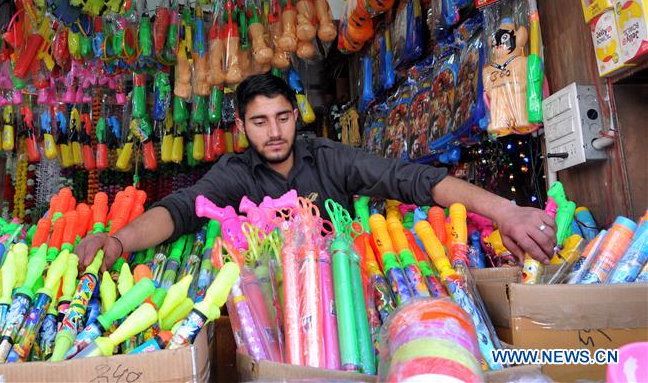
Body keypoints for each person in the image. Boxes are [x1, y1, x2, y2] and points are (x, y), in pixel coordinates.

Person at [75, 73, 557, 271]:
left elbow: (413, 179)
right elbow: (180, 211)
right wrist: (117, 242)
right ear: (242, 127)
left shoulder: (328, 157)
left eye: (283, 117)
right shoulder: (235, 173)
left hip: (346, 284)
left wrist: (505, 210)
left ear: (296, 115)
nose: (274, 132)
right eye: (260, 122)